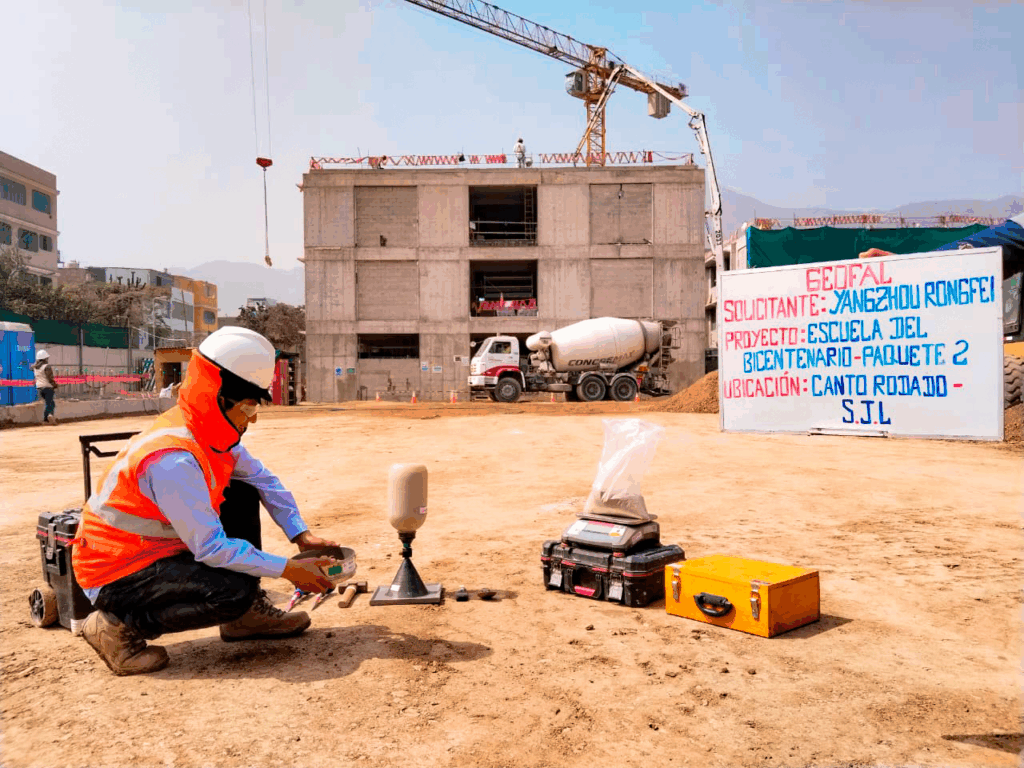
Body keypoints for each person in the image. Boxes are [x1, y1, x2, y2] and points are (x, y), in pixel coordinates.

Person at [73, 326, 338, 676]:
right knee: (234, 590)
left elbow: (264, 480)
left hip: (156, 550)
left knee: (243, 489)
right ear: (217, 397)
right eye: (247, 407)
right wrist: (288, 570)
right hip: (117, 570)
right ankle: (117, 627)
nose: (253, 417)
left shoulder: (211, 434)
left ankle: (244, 621)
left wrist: (300, 534)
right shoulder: (173, 461)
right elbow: (210, 548)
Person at [32, 349, 58, 425]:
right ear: (45, 358)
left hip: (39, 388)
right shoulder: (47, 367)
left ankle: (47, 418)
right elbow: (50, 378)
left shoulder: (35, 368)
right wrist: (55, 385)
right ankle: (48, 417)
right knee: (49, 403)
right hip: (47, 387)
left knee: (50, 403)